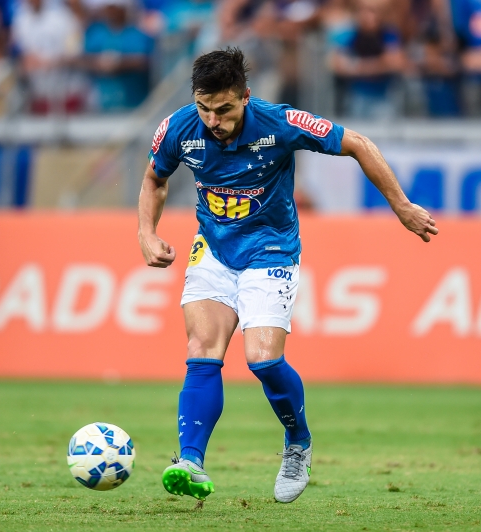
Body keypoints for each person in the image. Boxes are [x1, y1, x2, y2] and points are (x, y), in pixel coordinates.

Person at [138, 48, 437, 504]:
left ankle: (298, 442)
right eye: (204, 108)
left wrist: (401, 205)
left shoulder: (279, 122)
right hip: (214, 250)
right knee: (201, 350)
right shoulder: (179, 127)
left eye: (224, 110)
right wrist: (146, 232)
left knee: (262, 360)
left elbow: (355, 142)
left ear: (246, 98)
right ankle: (190, 461)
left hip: (271, 250)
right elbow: (154, 179)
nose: (212, 120)